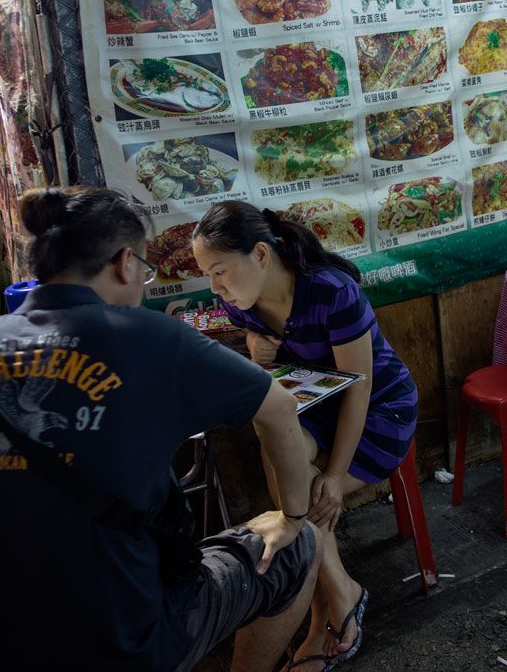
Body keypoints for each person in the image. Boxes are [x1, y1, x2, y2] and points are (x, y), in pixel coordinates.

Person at [0, 187, 324, 672]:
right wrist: (292, 516)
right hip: (117, 644)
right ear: (125, 263)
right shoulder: (150, 338)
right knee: (300, 548)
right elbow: (278, 409)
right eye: (145, 272)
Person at [192, 201, 418, 671]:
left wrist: (335, 475)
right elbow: (272, 374)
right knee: (280, 452)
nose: (215, 288)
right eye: (208, 276)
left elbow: (361, 387)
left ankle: (324, 615)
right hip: (315, 410)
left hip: (379, 411)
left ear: (259, 254)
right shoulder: (244, 303)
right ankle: (339, 595)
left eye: (219, 271)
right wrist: (258, 351)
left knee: (303, 495)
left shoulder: (331, 291)